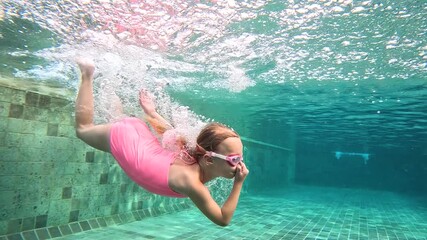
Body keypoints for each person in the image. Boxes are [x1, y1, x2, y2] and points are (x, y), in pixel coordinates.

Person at [75, 58, 249, 226]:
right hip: (127, 141)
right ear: (209, 159)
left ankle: (109, 81)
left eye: (240, 158)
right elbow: (222, 219)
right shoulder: (192, 183)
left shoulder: (193, 153)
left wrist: (152, 113)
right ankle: (87, 74)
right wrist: (238, 183)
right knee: (83, 129)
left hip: (137, 133)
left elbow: (172, 132)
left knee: (119, 119)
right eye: (234, 160)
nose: (240, 165)